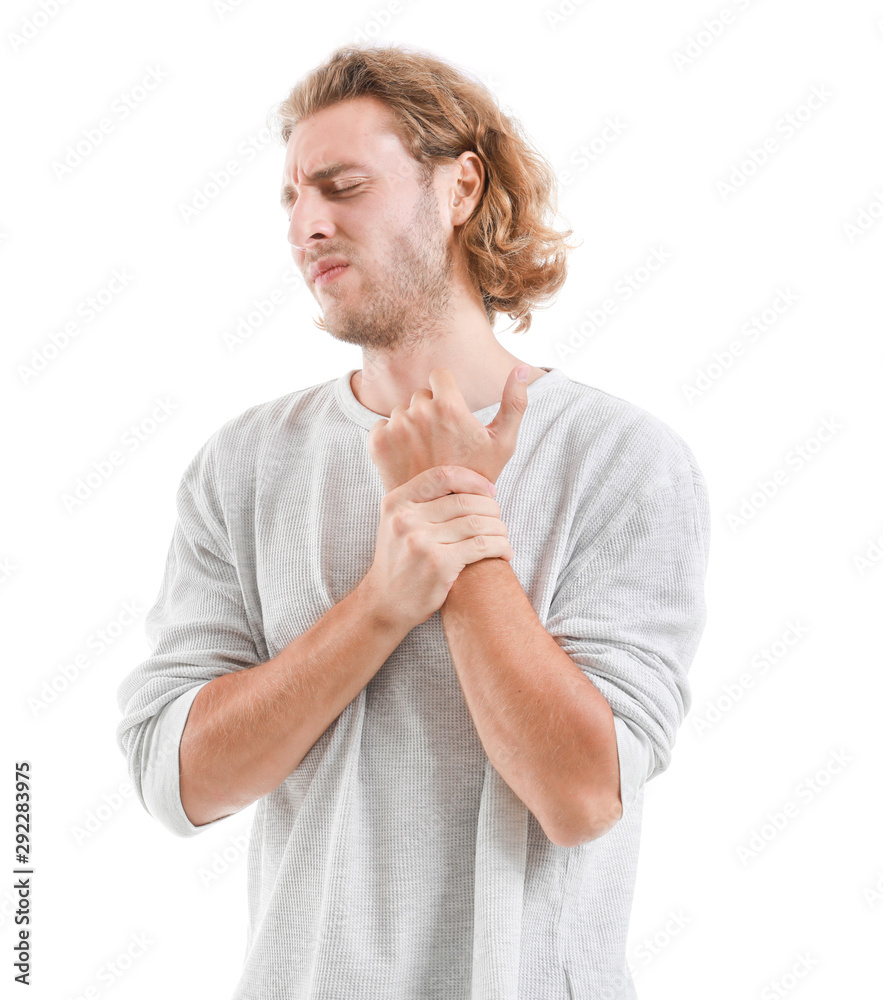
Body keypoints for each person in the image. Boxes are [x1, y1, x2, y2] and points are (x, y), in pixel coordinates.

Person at [116, 42, 710, 1000]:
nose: (308, 224)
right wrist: (383, 602)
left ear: (459, 187)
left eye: (343, 186)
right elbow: (176, 781)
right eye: (292, 199)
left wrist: (462, 527)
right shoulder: (244, 464)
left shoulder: (622, 459)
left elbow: (581, 797)